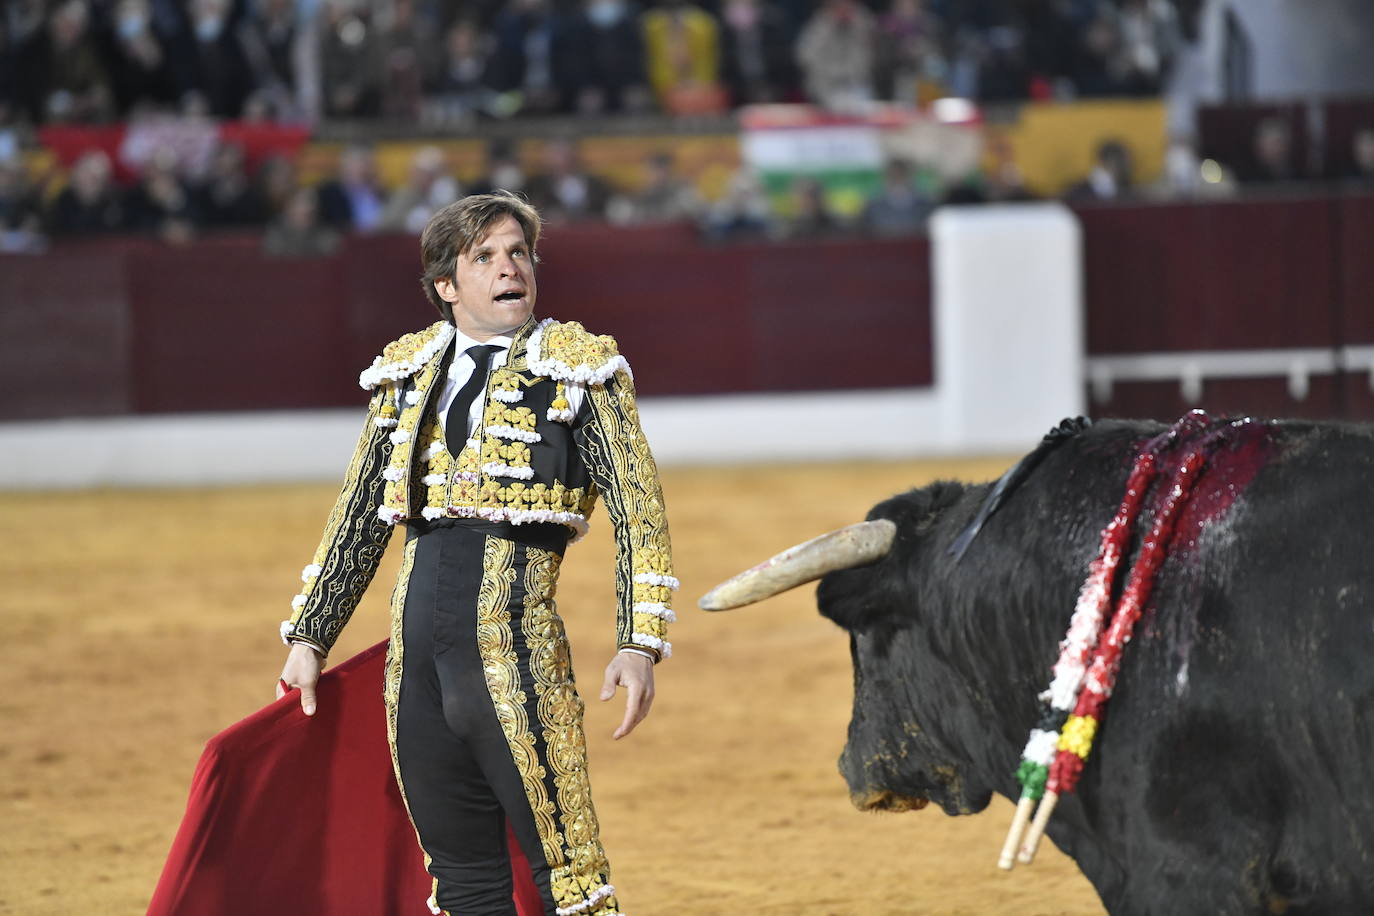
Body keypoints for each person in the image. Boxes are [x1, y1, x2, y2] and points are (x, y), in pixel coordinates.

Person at [276, 191, 676, 916]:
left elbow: (638, 508)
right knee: (461, 884)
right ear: (447, 287)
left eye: (519, 252)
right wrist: (311, 635)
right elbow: (360, 517)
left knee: (571, 878)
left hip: (515, 658)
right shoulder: (405, 376)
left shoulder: (581, 370)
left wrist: (639, 641)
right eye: (485, 256)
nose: (508, 267)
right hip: (415, 672)